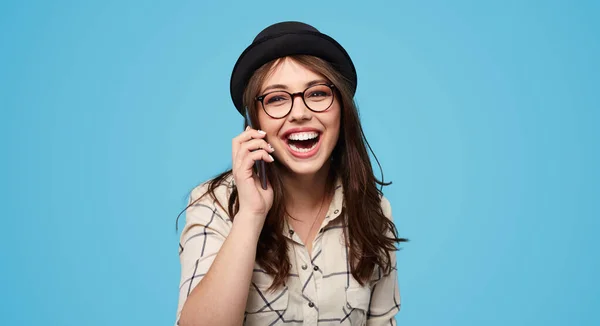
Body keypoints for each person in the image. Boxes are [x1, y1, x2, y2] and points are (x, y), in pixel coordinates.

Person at [175, 21, 407, 326]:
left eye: (318, 93)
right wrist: (251, 215)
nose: (299, 113)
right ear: (254, 123)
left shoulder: (374, 209)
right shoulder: (213, 203)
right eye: (276, 99)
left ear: (341, 109)